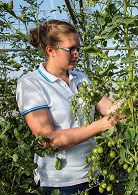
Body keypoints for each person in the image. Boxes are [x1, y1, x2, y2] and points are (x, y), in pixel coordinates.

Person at [16, 20, 120, 195]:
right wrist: (100, 125)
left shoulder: (81, 78)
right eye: (71, 49)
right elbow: (48, 139)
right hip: (61, 182)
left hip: (93, 173)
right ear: (51, 50)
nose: (77, 54)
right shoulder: (31, 84)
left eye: (78, 48)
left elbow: (110, 109)